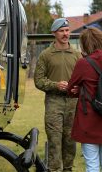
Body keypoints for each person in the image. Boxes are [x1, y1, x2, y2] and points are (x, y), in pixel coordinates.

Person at [67, 27, 102, 172]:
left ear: (85, 44)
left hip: (89, 120)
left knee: (92, 165)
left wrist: (81, 90)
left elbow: (70, 89)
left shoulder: (83, 63)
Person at [34, 18, 81, 172]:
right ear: (54, 33)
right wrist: (55, 85)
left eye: (67, 30)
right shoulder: (46, 55)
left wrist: (78, 88)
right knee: (54, 139)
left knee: (70, 140)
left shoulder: (77, 55)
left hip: (73, 103)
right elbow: (38, 80)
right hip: (54, 102)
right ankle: (54, 170)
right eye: (61, 31)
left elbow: (83, 79)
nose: (65, 34)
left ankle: (68, 169)